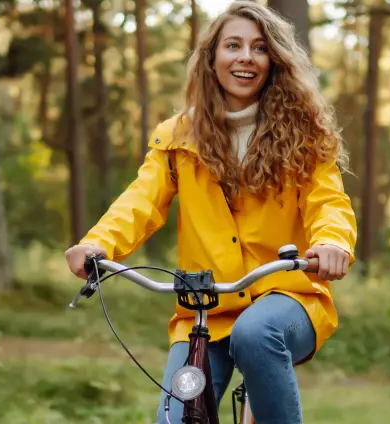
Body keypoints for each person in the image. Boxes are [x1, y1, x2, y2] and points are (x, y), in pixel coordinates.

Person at [63, 2, 355, 422]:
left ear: (274, 61)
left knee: (257, 334)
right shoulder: (177, 137)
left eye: (259, 48)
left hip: (287, 296)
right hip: (206, 307)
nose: (245, 57)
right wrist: (97, 244)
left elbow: (328, 202)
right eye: (232, 45)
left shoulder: (306, 137)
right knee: (176, 417)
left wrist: (332, 243)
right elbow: (141, 200)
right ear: (211, 58)